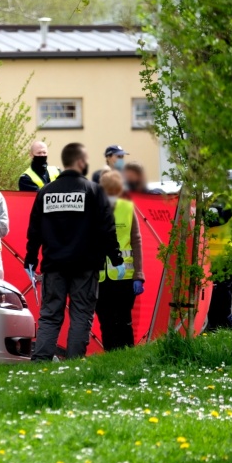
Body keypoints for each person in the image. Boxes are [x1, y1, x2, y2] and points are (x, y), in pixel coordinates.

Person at [25, 142, 124, 361]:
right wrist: (116, 258)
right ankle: (73, 365)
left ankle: (40, 363)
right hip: (85, 266)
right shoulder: (94, 191)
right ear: (80, 162)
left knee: (50, 316)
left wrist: (30, 259)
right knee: (81, 315)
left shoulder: (45, 192)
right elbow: (106, 228)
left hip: (54, 266)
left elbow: (34, 230)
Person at [95, 171, 145, 351]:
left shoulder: (127, 207)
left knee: (124, 320)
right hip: (100, 277)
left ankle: (127, 355)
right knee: (106, 322)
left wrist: (139, 275)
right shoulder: (93, 209)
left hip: (124, 277)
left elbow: (136, 240)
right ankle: (111, 357)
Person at [205, 192, 232, 330]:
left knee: (221, 309)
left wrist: (196, 215)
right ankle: (216, 342)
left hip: (223, 260)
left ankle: (228, 342)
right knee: (214, 309)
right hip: (214, 260)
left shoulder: (225, 199)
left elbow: (215, 219)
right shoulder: (213, 197)